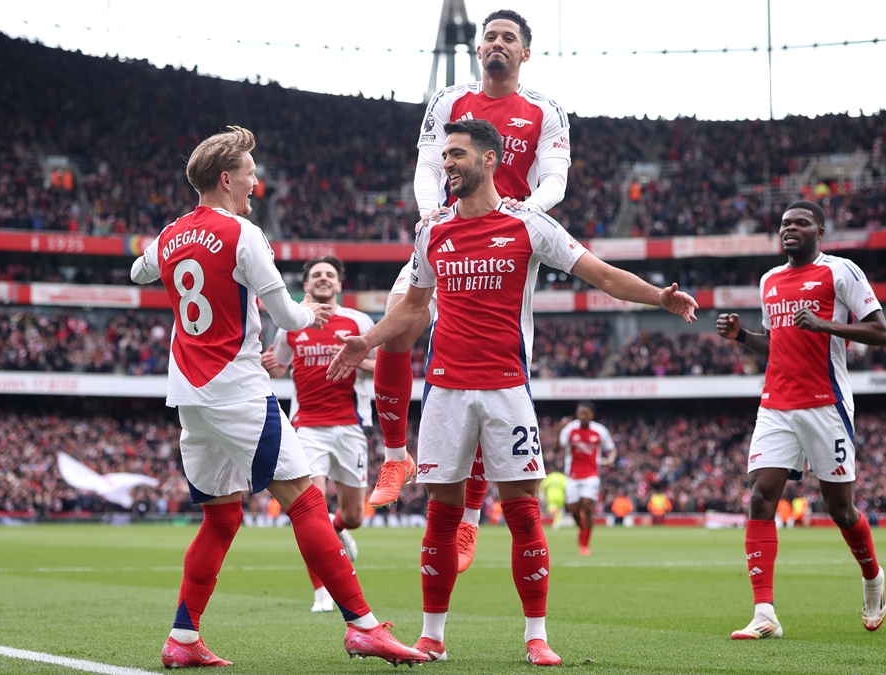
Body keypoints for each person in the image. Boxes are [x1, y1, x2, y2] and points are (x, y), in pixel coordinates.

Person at [327, 118, 698, 666]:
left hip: (507, 390)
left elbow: (599, 274)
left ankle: (536, 636)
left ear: (490, 159)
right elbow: (412, 306)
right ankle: (432, 635)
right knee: (441, 518)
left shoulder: (530, 224)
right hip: (446, 394)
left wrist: (657, 299)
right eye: (444, 156)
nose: (446, 164)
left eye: (456, 155)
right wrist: (367, 341)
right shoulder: (432, 231)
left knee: (524, 515)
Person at [130, 125, 424, 668]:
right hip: (237, 389)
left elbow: (137, 270)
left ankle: (183, 638)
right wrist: (311, 315)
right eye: (248, 170)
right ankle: (362, 626)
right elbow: (285, 316)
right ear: (226, 178)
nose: (254, 180)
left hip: (189, 395)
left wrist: (168, 257)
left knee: (220, 519)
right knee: (307, 502)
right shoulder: (243, 233)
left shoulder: (170, 234)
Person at [368, 8, 572, 577]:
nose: (497, 44)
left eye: (508, 38)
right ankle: (393, 457)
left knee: (494, 375)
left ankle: (471, 518)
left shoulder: (544, 111)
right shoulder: (448, 102)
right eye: (490, 37)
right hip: (450, 237)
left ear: (525, 52)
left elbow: (554, 177)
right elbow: (427, 165)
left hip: (508, 248)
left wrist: (525, 213)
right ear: (478, 49)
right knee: (395, 325)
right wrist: (429, 214)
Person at [716, 199, 886, 640]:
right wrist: (741, 337)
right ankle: (764, 613)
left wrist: (826, 326)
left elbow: (880, 333)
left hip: (825, 405)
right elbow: (777, 344)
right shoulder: (769, 280)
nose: (789, 229)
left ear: (820, 232)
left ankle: (872, 578)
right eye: (784, 224)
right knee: (760, 497)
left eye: (800, 223)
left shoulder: (841, 272)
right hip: (776, 405)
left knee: (840, 509)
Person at [261, 255, 375, 613]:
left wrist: (359, 359)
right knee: (311, 508)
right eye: (316, 275)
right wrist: (271, 366)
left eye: (329, 275)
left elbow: (383, 365)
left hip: (350, 426)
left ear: (339, 285)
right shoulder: (290, 323)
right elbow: (279, 366)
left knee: (353, 515)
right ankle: (322, 592)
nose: (323, 279)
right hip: (307, 427)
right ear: (306, 285)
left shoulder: (358, 321)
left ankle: (340, 530)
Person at [551, 401, 617, 555]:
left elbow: (611, 449)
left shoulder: (599, 431)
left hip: (591, 475)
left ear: (592, 415)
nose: (583, 416)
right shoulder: (570, 429)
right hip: (572, 476)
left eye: (586, 413)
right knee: (573, 510)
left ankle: (585, 543)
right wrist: (560, 429)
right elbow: (555, 449)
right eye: (580, 413)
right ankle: (583, 529)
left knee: (587, 506)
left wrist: (611, 459)